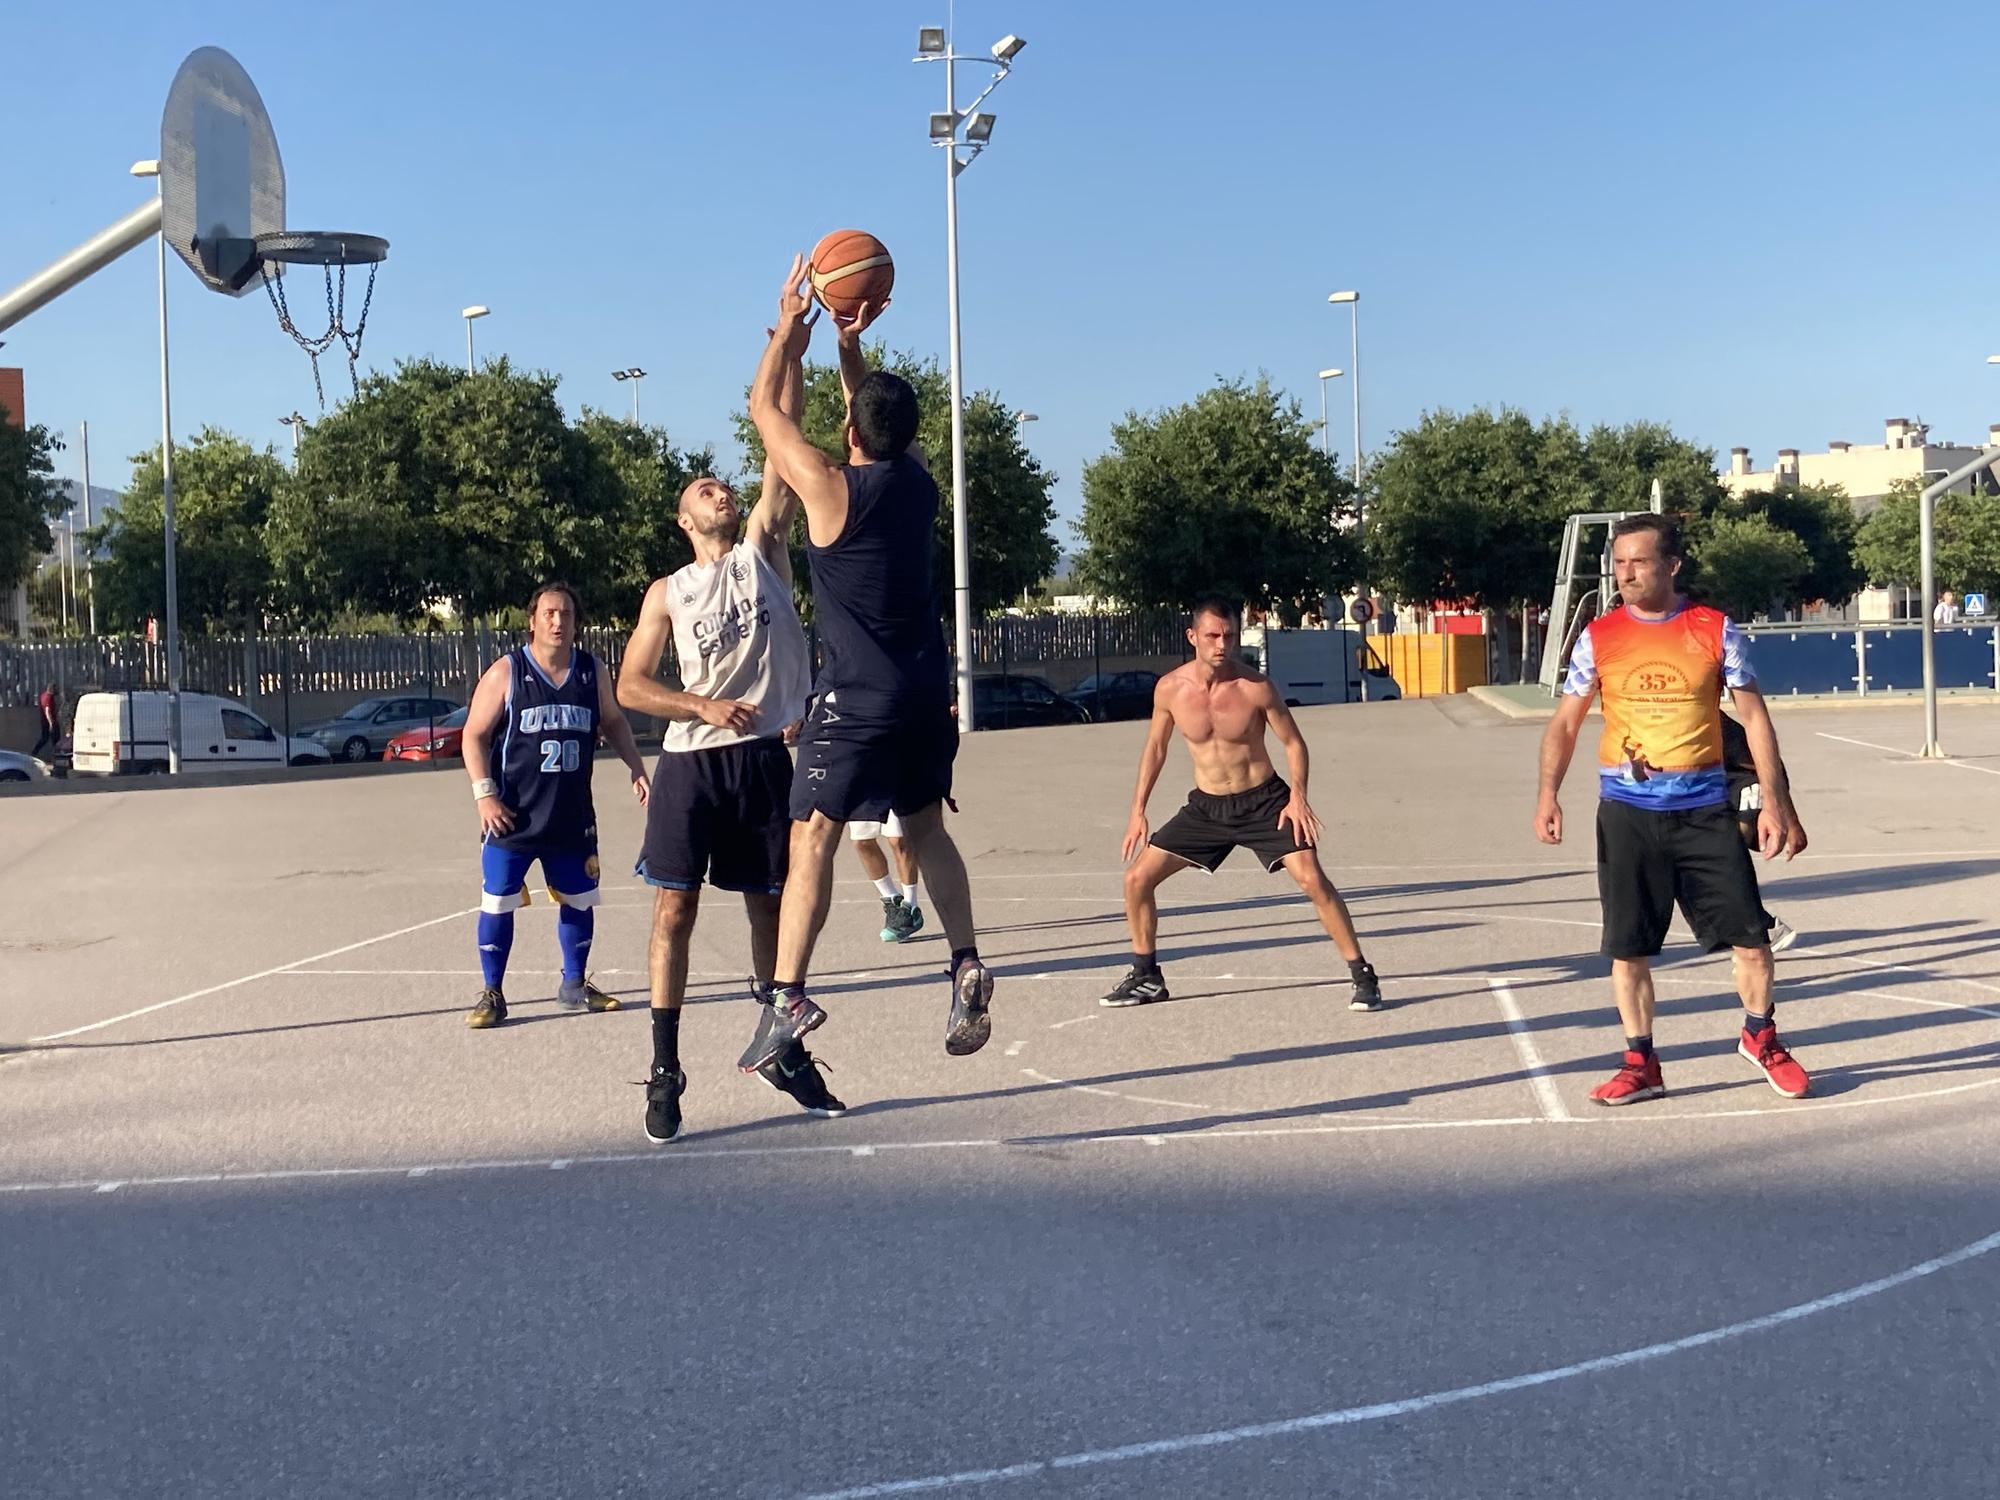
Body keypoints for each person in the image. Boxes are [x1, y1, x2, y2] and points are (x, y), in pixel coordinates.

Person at [739, 254, 993, 1069]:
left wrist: (790, 329)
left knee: (811, 836)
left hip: (855, 700)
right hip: (927, 694)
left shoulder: (825, 486)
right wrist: (851, 347)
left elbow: (761, 411)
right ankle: (964, 961)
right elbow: (870, 414)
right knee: (924, 829)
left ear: (849, 436)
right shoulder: (918, 480)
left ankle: (787, 997)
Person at [614, 342, 844, 1143]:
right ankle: (665, 1067)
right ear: (684, 520)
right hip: (690, 762)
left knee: (769, 905)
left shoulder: (763, 552)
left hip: (759, 763)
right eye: (703, 490)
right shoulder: (667, 592)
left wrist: (790, 342)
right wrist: (697, 704)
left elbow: (784, 428)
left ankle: (780, 1042)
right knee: (673, 910)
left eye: (722, 484)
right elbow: (630, 687)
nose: (719, 490)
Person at [1534, 514, 1809, 1106]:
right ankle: (1642, 1064)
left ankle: (1761, 1038)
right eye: (1619, 562)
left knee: (1752, 940)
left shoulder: (1715, 630)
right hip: (1627, 816)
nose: (1625, 573)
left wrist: (1776, 802)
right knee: (1628, 949)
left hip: (1705, 812)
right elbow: (1565, 721)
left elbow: (1754, 719)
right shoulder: (1598, 636)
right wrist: (1548, 792)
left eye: (1639, 561)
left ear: (1672, 565)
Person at [1104, 596, 1384, 1011]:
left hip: (1265, 802)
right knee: (1136, 880)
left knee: (1312, 880)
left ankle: (1363, 975)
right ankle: (1147, 977)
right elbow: (1156, 749)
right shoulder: (1170, 689)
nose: (1222, 644)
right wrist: (1137, 811)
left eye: (1229, 635)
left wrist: (1298, 798)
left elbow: (1293, 743)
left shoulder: (1255, 687)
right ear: (1193, 636)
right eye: (1213, 635)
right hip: (1207, 808)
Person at [460, 582, 649, 1030]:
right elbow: (473, 734)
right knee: (498, 903)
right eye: (548, 613)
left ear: (576, 622)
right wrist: (484, 794)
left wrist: (637, 767)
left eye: (565, 614)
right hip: (513, 817)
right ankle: (493, 992)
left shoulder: (591, 670)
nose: (557, 622)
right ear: (532, 621)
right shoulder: (508, 671)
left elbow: (615, 721)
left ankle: (575, 982)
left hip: (570, 816)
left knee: (579, 901)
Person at [1721, 707, 1803, 953]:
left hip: (1747, 786)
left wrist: (1791, 821)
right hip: (1709, 795)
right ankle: (1752, 927)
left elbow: (1770, 765)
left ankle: (1762, 927)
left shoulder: (1716, 727)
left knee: (1720, 854)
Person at [851, 812, 924, 942]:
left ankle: (911, 907)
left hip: (896, 791)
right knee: (862, 841)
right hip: (862, 792)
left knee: (898, 840)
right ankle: (892, 900)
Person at [32, 681, 59, 758]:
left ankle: (34, 752)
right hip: (50, 722)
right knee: (56, 740)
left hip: (44, 722)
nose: (57, 690)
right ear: (52, 689)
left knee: (44, 739)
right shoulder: (49, 697)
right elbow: (47, 710)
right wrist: (51, 723)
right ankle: (57, 757)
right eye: (56, 689)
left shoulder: (43, 695)